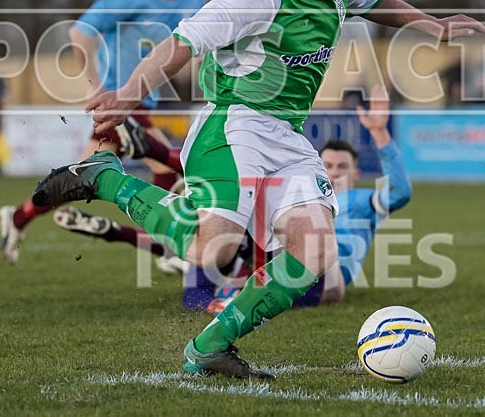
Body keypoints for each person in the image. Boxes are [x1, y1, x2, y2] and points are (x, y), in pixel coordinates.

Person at [30, 0, 485, 379]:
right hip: (234, 123)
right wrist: (127, 94)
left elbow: (377, 2)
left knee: (314, 252)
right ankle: (106, 178)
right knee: (214, 251)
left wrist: (432, 26)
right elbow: (181, 43)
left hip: (287, 136)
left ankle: (209, 347)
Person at [53, 86, 412, 310]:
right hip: (274, 250)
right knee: (230, 209)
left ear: (356, 172)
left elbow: (399, 192)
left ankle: (127, 210)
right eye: (328, 164)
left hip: (323, 275)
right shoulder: (299, 194)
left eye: (342, 167)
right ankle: (146, 163)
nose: (334, 172)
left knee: (315, 264)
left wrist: (380, 134)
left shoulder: (363, 202)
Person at [0, 0, 205, 264]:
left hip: (141, 104)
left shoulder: (194, 0)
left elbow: (195, 50)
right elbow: (79, 33)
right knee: (172, 163)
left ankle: (18, 217)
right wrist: (93, 86)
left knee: (81, 179)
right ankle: (167, 247)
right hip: (116, 104)